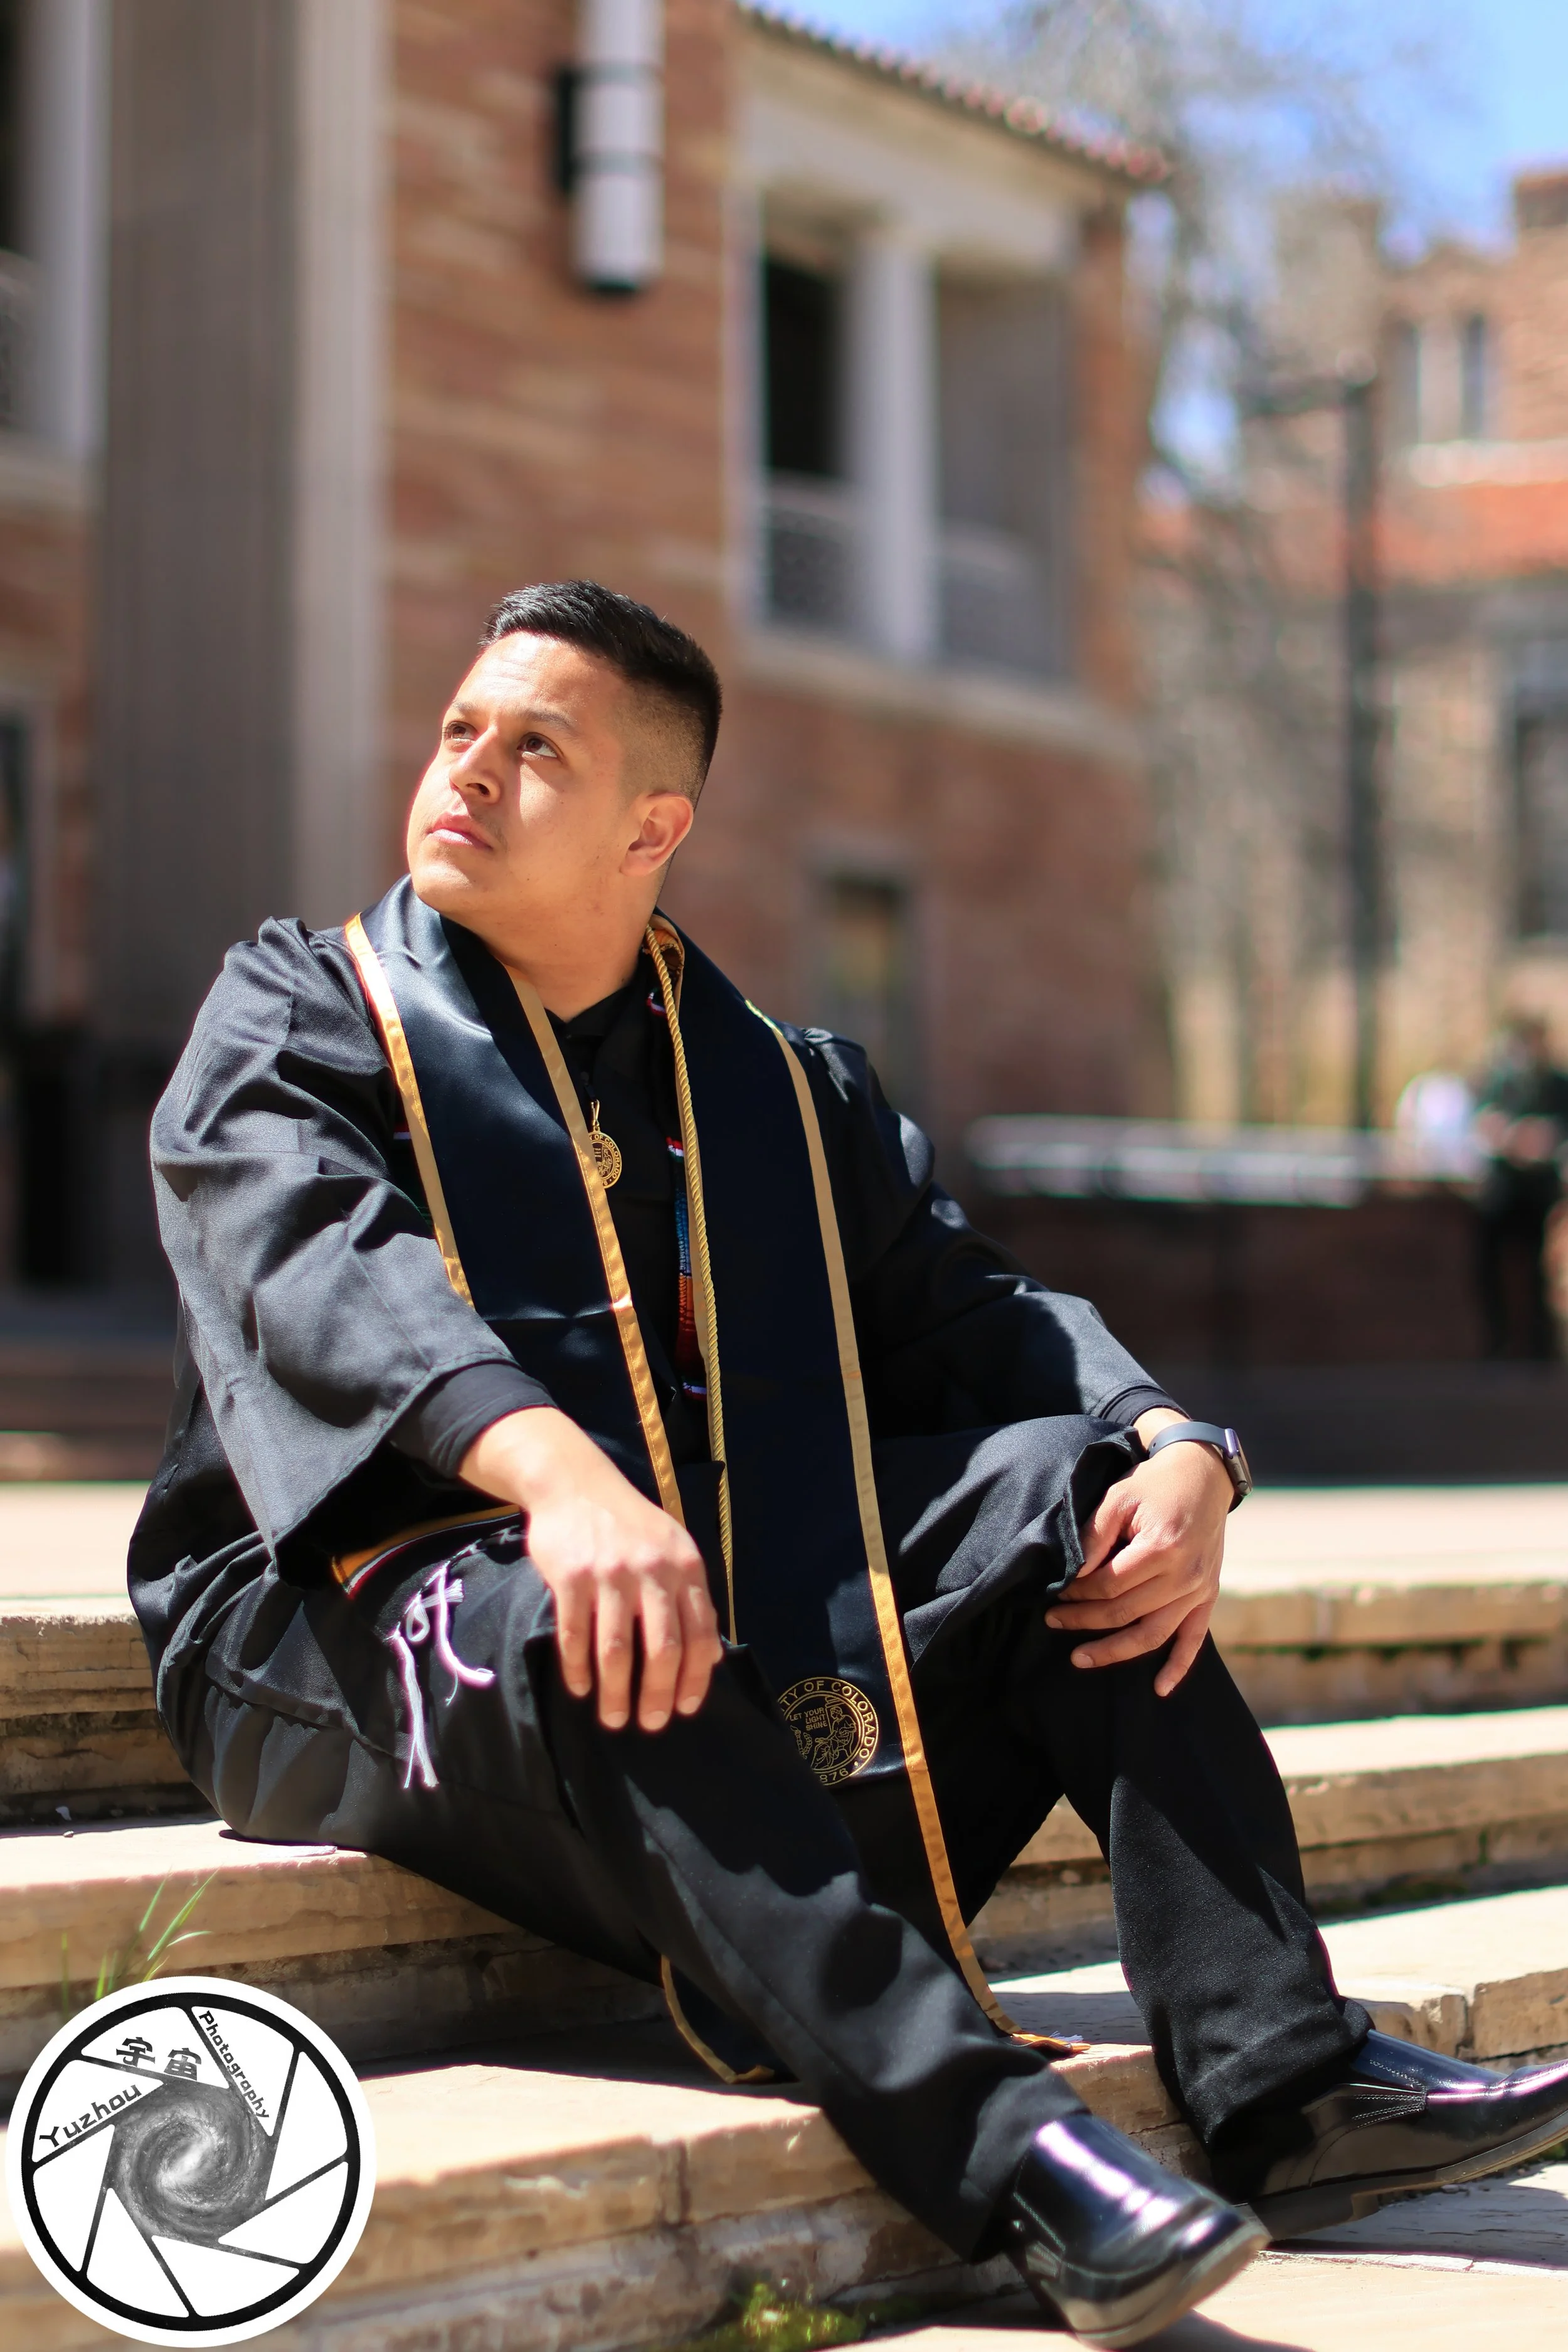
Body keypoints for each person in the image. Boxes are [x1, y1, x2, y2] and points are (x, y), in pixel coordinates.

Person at [131, 583, 1568, 2348]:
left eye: (536, 749)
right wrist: (560, 1477)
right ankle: (1005, 2148)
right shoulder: (298, 1009)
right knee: (580, 1603)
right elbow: (317, 1270)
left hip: (691, 1604)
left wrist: (1171, 1441)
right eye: (459, 732)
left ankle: (1282, 2078)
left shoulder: (776, 1092)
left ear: (653, 824)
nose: (468, 771)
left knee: (1070, 1497)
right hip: (314, 1621)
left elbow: (978, 1311)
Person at [1471, 1015, 1568, 1359]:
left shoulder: (1558, 1084)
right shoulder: (1500, 1081)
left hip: (1540, 1189)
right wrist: (1512, 1136)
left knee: (1540, 1268)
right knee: (1491, 1267)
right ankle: (1498, 1342)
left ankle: (1541, 1346)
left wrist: (1545, 1139)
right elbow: (1482, 1122)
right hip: (1503, 1188)